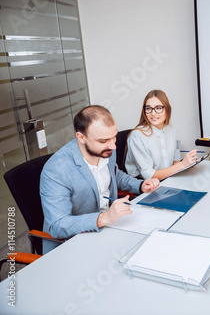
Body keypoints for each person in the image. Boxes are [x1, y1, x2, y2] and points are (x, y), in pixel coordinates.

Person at [40, 105, 160, 254]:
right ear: (81, 137)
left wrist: (141, 185)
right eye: (103, 140)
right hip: (73, 243)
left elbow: (115, 175)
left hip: (109, 230)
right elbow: (58, 225)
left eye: (114, 137)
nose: (113, 145)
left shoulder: (107, 150)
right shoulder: (57, 170)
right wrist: (104, 218)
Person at [125, 89, 199, 180]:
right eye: (148, 108)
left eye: (158, 108)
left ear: (167, 110)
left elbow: (174, 160)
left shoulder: (170, 129)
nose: (153, 113)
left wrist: (186, 164)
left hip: (168, 179)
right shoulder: (137, 136)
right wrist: (182, 165)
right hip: (145, 184)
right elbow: (149, 175)